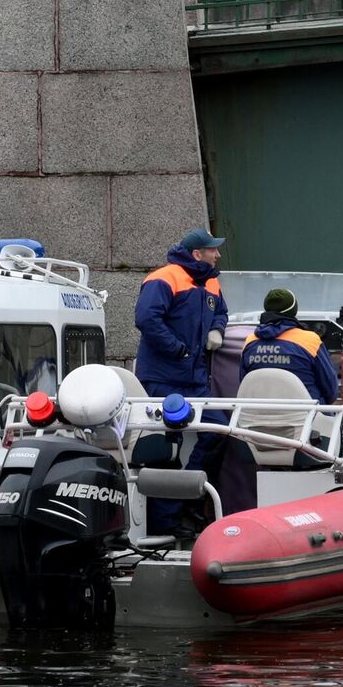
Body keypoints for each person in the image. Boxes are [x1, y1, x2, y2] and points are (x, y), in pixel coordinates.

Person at [134, 228, 230, 538]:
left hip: (195, 379)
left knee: (219, 431)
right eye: (212, 250)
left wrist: (217, 331)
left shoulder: (211, 281)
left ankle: (188, 493)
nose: (217, 254)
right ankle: (167, 520)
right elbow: (147, 320)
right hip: (163, 378)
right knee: (165, 449)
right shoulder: (164, 278)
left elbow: (222, 313)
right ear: (197, 254)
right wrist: (178, 349)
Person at [240, 288, 339, 405]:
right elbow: (331, 390)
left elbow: (244, 383)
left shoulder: (250, 341)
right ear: (293, 311)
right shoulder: (310, 341)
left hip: (256, 417)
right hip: (307, 417)